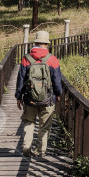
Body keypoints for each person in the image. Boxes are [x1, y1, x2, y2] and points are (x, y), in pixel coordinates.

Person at [15, 30, 63, 158]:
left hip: (29, 99)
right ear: (46, 44)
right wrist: (58, 94)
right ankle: (40, 152)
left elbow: (20, 79)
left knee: (29, 122)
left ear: (35, 43)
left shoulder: (26, 59)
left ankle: (26, 146)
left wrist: (18, 97)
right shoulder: (52, 59)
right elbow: (57, 80)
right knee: (44, 126)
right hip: (48, 99)